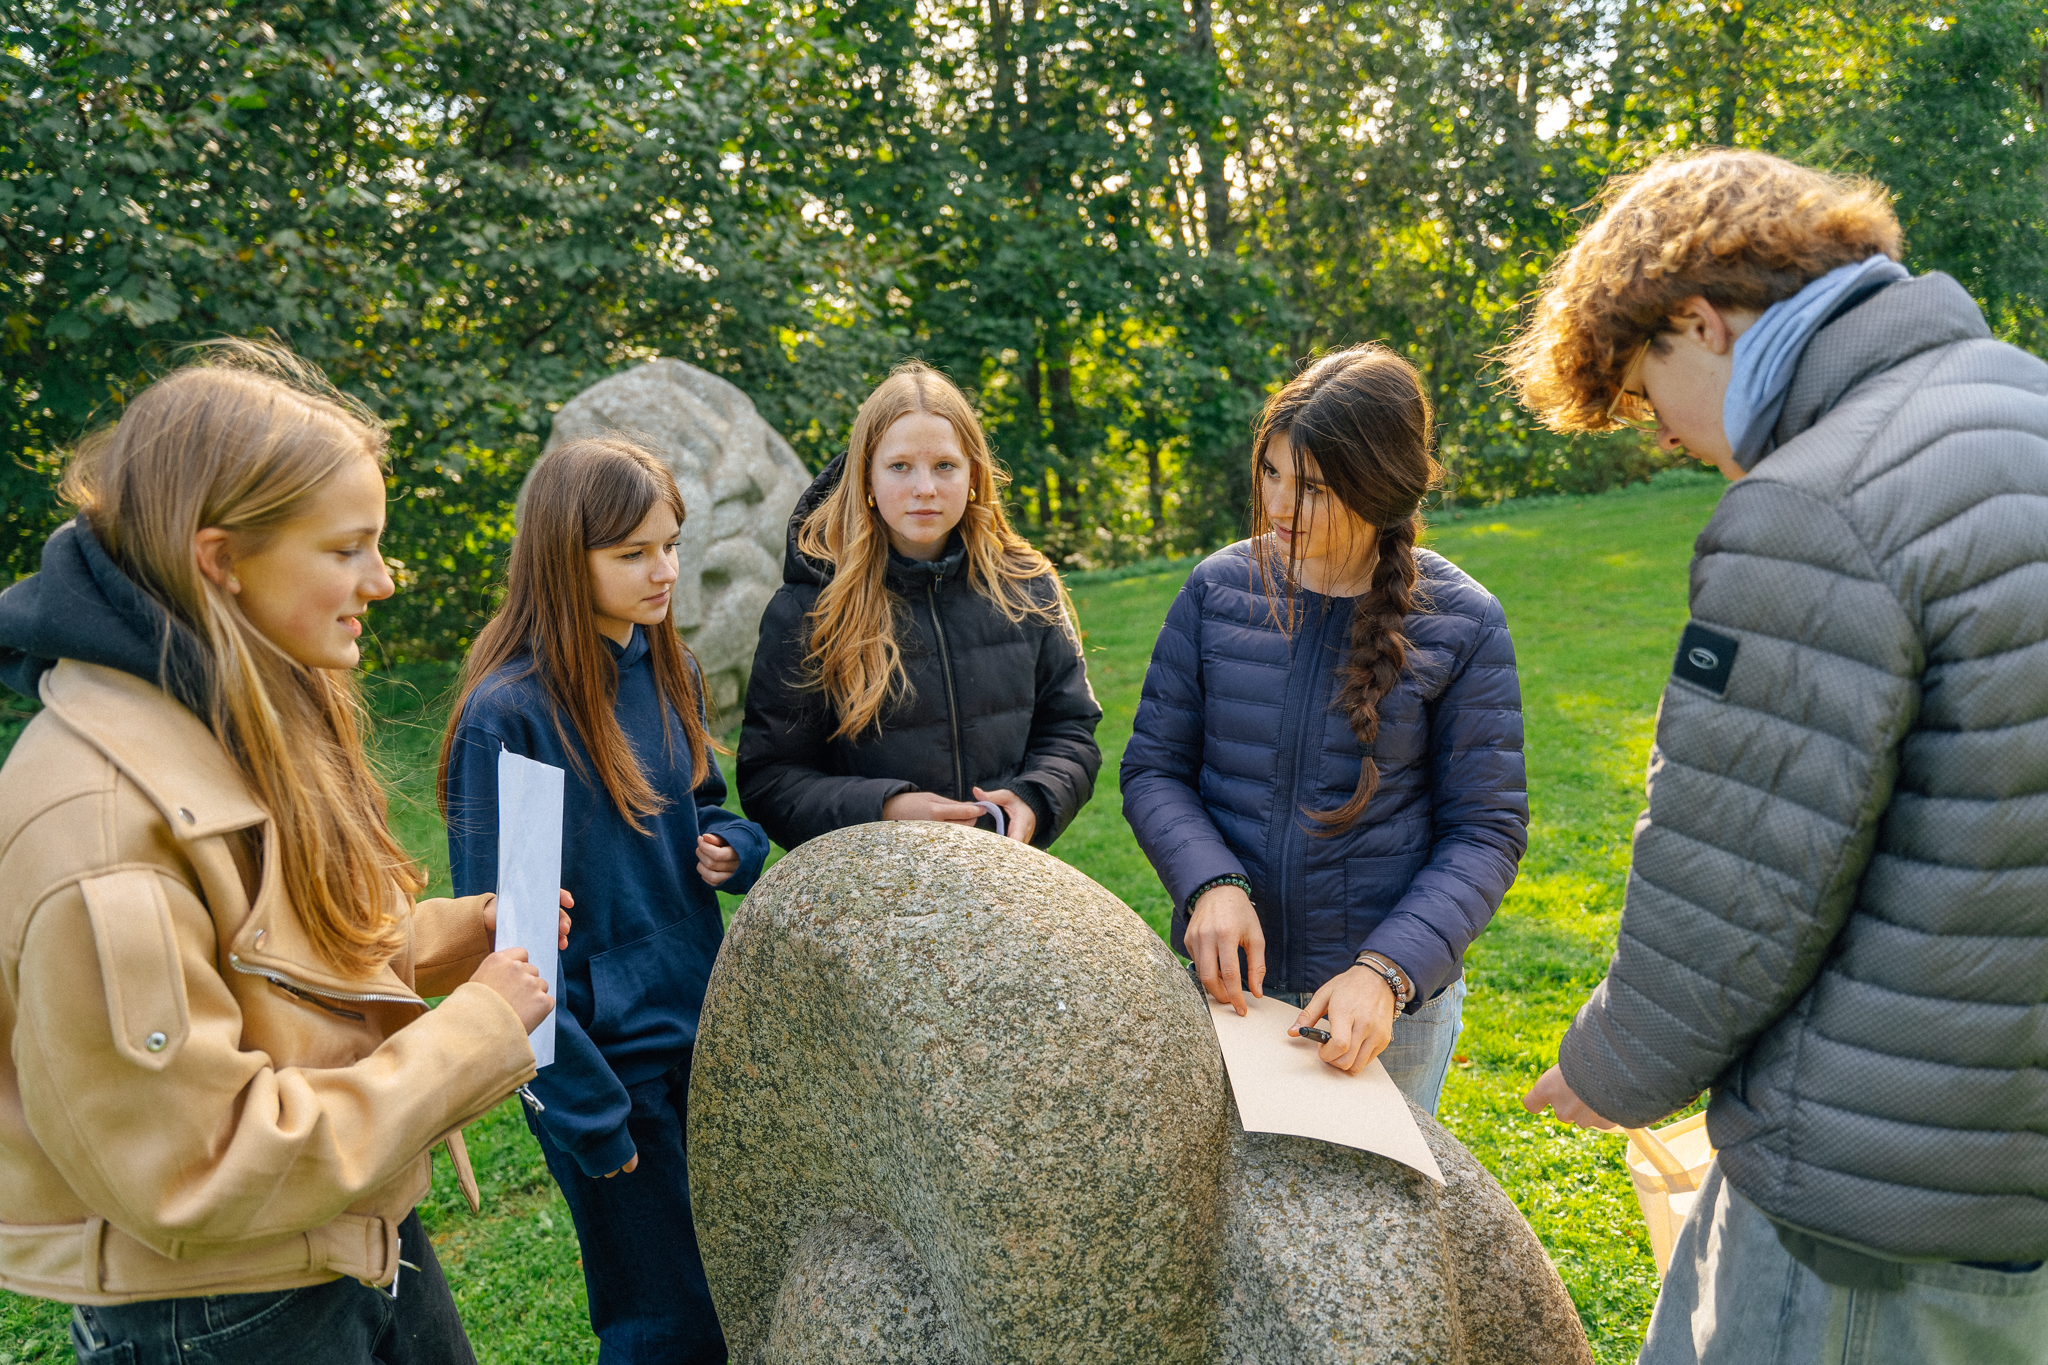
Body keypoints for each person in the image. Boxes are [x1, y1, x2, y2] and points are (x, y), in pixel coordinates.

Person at [1507, 148, 2048, 1361]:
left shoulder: (1812, 504)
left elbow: (1741, 867)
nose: (1666, 439)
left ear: (1698, 322)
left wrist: (1614, 1063)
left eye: (1646, 393)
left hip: (1871, 1187)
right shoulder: (2020, 401)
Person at [0, 343, 555, 1364]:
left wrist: (449, 938)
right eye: (347, 549)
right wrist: (476, 1032)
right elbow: (202, 1163)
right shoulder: (97, 826)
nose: (380, 581)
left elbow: (260, 962)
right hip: (223, 1311)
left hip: (344, 1237)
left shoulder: (227, 702)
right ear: (220, 560)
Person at [1120, 344, 1528, 1114]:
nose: (1279, 505)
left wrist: (1386, 972)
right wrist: (1211, 882)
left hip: (1380, 1014)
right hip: (1229, 990)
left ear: (1381, 485)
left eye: (1311, 487)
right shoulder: (1216, 590)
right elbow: (1153, 770)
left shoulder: (1464, 621)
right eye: (1271, 472)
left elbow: (1486, 829)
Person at [440, 436, 768, 1365]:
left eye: (670, 545)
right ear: (563, 558)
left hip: (704, 1034)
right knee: (665, 1325)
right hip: (605, 1072)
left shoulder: (671, 668)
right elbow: (505, 945)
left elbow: (703, 802)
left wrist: (734, 847)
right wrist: (587, 1110)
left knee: (735, 1293)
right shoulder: (510, 715)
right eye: (632, 552)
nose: (664, 571)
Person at [739, 361, 1102, 851]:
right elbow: (770, 778)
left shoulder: (1027, 586)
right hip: (873, 884)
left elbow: (1071, 729)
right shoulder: (809, 608)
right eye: (900, 467)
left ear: (973, 472)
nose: (925, 488)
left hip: (1005, 875)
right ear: (866, 477)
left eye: (945, 466)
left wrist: (1036, 796)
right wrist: (886, 811)